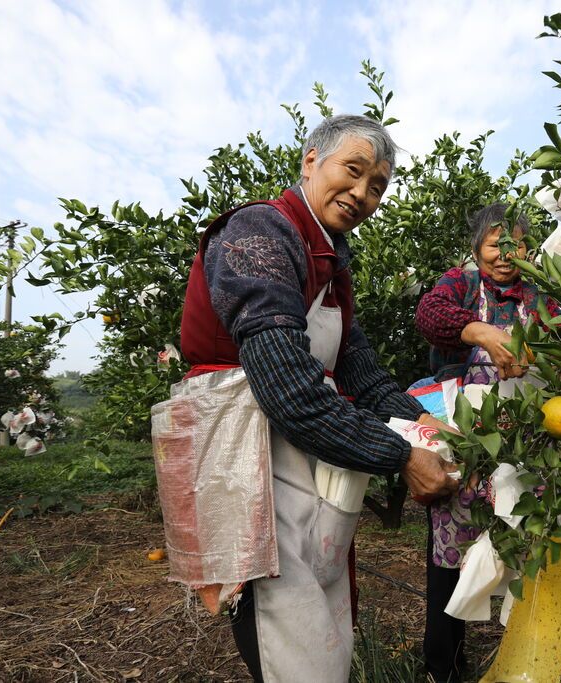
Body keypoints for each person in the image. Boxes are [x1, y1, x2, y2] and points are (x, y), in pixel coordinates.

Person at [177, 114, 460, 682]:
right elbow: (289, 392)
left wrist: (439, 434)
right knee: (280, 611)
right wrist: (403, 456)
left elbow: (371, 383)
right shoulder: (261, 232)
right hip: (244, 452)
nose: (361, 194)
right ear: (311, 160)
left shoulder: (330, 263)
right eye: (352, 172)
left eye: (376, 186)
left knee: (319, 605)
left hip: (301, 452)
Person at [414, 203, 561, 682]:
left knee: (521, 548)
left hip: (523, 442)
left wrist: (541, 353)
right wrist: (477, 329)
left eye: (516, 244)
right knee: (450, 559)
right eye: (496, 244)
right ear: (477, 248)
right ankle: (444, 666)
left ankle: (523, 660)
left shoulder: (540, 296)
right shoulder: (460, 284)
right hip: (465, 439)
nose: (506, 254)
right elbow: (430, 315)